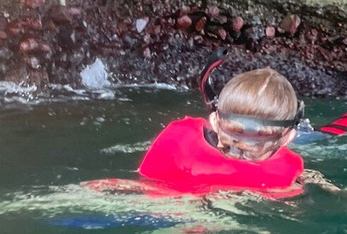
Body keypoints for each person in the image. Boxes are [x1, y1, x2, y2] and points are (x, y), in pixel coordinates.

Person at [137, 66, 330, 197]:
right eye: (234, 138)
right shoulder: (286, 182)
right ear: (288, 137)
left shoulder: (179, 139)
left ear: (215, 120)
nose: (239, 151)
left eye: (254, 142)